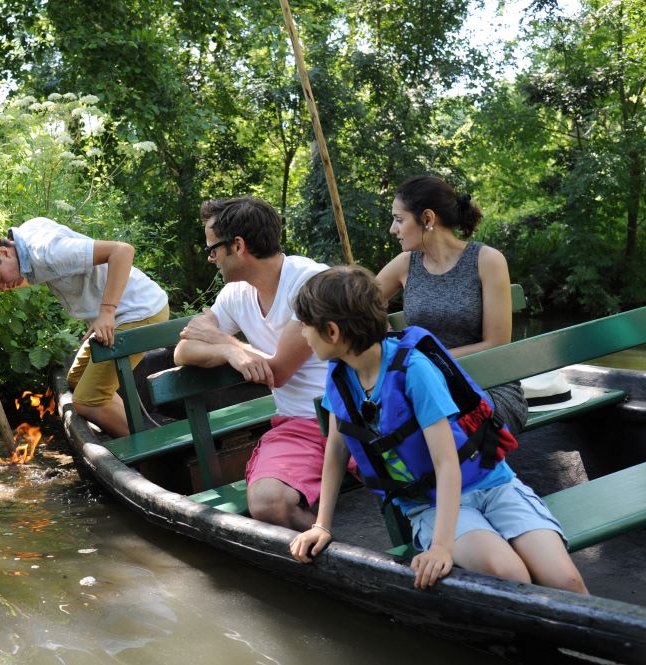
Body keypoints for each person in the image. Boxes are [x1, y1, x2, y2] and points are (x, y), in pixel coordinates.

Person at [288, 265, 587, 594]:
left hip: (494, 485)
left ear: (331, 332)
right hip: (429, 505)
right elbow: (336, 450)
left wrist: (441, 548)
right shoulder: (339, 378)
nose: (302, 333)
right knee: (509, 573)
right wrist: (322, 525)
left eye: (305, 325)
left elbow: (447, 463)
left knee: (565, 581)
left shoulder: (414, 370)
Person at [172, 196, 355, 531]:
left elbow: (279, 371)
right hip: (302, 425)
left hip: (358, 416)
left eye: (213, 249)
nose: (211, 258)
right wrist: (231, 353)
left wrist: (228, 341)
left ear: (238, 246)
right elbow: (183, 350)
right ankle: (337, 548)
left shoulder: (311, 283)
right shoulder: (234, 294)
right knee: (268, 502)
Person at [0, 217, 169, 438]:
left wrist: (106, 312)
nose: (1, 287)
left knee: (87, 402)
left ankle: (154, 453)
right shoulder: (23, 245)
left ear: (5, 253)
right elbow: (38, 273)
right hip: (126, 313)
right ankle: (129, 422)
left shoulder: (47, 250)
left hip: (140, 312)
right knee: (76, 380)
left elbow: (122, 251)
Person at [376, 176, 527, 434]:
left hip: (487, 386)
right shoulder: (405, 264)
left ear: (427, 218)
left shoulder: (487, 260)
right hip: (424, 386)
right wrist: (387, 336)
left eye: (399, 220)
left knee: (435, 424)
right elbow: (358, 306)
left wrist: (423, 359)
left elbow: (496, 345)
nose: (393, 229)